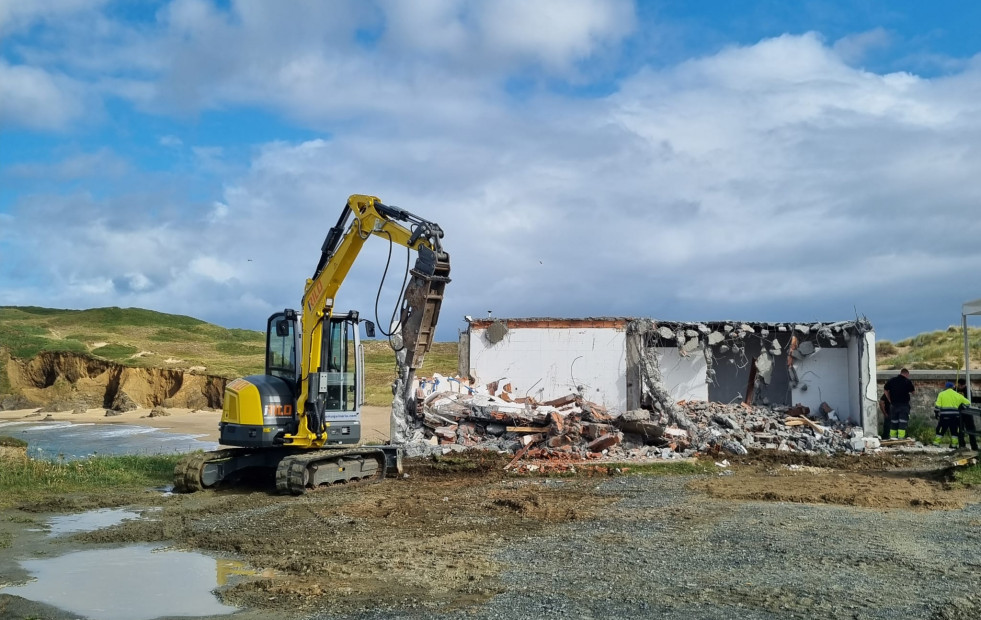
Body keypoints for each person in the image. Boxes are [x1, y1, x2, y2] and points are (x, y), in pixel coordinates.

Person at [884, 368, 915, 439]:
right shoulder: (907, 381)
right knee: (903, 422)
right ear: (906, 374)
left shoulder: (892, 380)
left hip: (894, 405)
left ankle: (892, 438)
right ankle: (901, 438)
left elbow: (885, 390)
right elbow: (913, 392)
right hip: (904, 405)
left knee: (893, 421)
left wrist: (889, 399)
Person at [934, 381, 966, 449]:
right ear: (953, 387)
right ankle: (954, 445)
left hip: (944, 416)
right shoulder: (957, 394)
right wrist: (961, 408)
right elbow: (968, 403)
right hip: (955, 417)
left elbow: (937, 406)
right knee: (954, 431)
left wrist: (936, 413)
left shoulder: (941, 394)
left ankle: (936, 443)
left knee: (940, 430)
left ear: (946, 387)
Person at [956, 378, 979, 451]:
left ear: (964, 385)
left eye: (961, 386)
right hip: (959, 413)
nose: (960, 387)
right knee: (960, 430)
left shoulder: (967, 391)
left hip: (968, 413)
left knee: (971, 430)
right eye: (959, 385)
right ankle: (962, 446)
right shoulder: (955, 390)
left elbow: (969, 401)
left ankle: (974, 447)